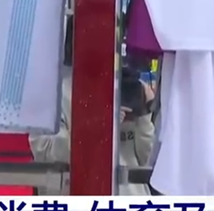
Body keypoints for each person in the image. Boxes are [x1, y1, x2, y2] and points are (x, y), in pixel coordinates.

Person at [29, 66, 156, 195]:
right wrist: (96, 127)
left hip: (129, 196)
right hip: (81, 197)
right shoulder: (54, 91)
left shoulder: (130, 87)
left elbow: (143, 160)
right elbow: (44, 151)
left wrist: (145, 114)